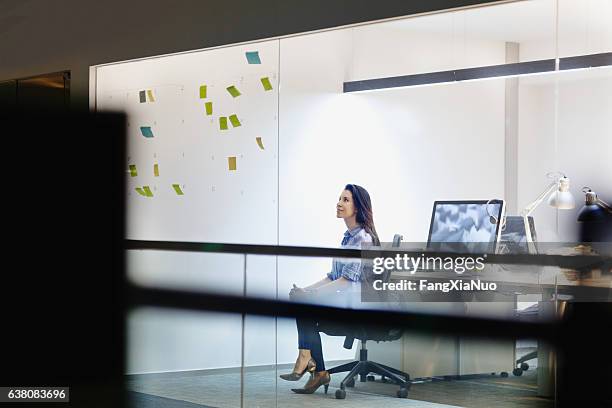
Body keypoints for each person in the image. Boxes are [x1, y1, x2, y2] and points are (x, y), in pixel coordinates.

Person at [280, 184, 381, 394]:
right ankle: (315, 367)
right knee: (301, 301)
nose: (339, 203)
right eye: (339, 199)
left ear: (358, 207)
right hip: (345, 300)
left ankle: (310, 362)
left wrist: (312, 295)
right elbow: (333, 276)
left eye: (345, 200)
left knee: (306, 306)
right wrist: (305, 290)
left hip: (357, 306)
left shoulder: (363, 239)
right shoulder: (348, 237)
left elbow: (346, 281)